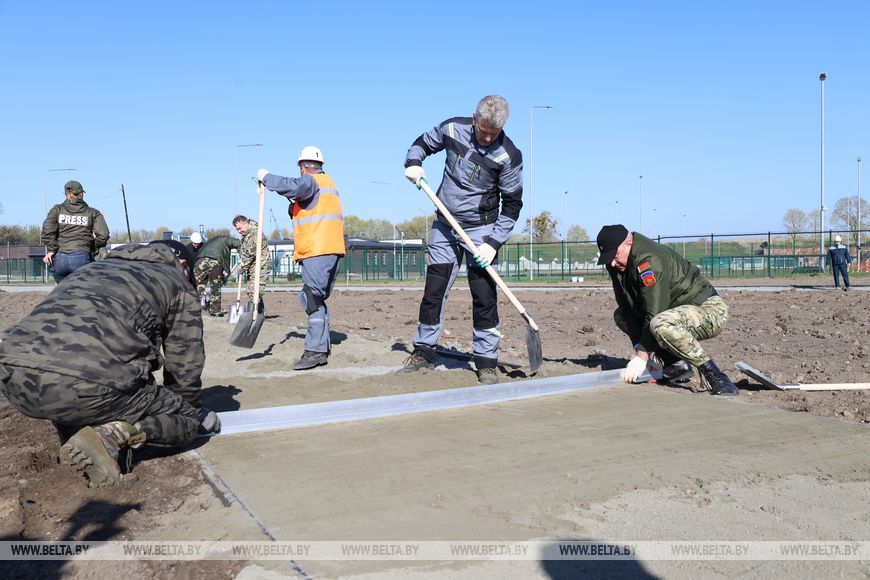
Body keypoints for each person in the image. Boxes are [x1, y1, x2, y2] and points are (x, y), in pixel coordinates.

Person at [0, 240, 220, 487]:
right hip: (86, 383)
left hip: (12, 376)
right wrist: (185, 409)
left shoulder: (88, 270)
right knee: (188, 420)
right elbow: (185, 366)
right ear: (182, 264)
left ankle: (74, 432)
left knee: (77, 369)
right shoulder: (176, 282)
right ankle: (109, 436)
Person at [397, 95, 523, 385]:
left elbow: (513, 206)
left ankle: (486, 361)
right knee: (434, 289)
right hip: (444, 223)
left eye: (495, 133)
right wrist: (413, 163)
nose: (488, 137)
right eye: (483, 131)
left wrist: (492, 244)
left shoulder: (508, 155)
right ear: (474, 118)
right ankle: (424, 350)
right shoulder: (452, 129)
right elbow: (420, 144)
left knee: (484, 295)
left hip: (482, 230)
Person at [596, 224, 738, 396]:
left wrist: (642, 356)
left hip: (707, 309)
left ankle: (716, 376)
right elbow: (627, 308)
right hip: (673, 311)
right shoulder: (616, 265)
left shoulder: (650, 260)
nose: (612, 262)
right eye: (608, 257)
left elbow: (655, 311)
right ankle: (675, 364)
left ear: (628, 243)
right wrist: (638, 348)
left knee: (660, 324)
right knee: (621, 315)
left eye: (615, 255)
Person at [257, 145, 345, 370]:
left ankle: (315, 351)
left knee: (311, 299)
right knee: (317, 299)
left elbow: (294, 187)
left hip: (317, 248)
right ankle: (321, 348)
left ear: (303, 167)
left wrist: (266, 177)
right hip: (331, 248)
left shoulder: (311, 180)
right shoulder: (329, 183)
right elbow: (310, 207)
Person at [40, 180, 110, 283]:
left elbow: (47, 232)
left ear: (66, 195)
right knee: (82, 294)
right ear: (81, 194)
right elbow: (103, 235)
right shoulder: (92, 213)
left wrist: (52, 249)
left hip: (59, 259)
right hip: (81, 257)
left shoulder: (57, 210)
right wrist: (91, 247)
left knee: (63, 294)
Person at [193, 235, 241, 316]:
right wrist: (242, 255)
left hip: (199, 262)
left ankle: (193, 309)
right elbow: (239, 243)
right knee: (215, 287)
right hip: (215, 261)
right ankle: (215, 311)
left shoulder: (209, 242)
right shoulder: (226, 239)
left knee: (198, 287)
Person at [232, 215, 273, 311]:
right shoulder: (247, 234)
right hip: (253, 266)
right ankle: (257, 314)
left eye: (240, 228)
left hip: (261, 265)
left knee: (255, 291)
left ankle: (253, 315)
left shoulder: (254, 234)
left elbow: (249, 253)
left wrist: (242, 267)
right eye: (237, 229)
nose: (239, 231)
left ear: (245, 223)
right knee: (252, 291)